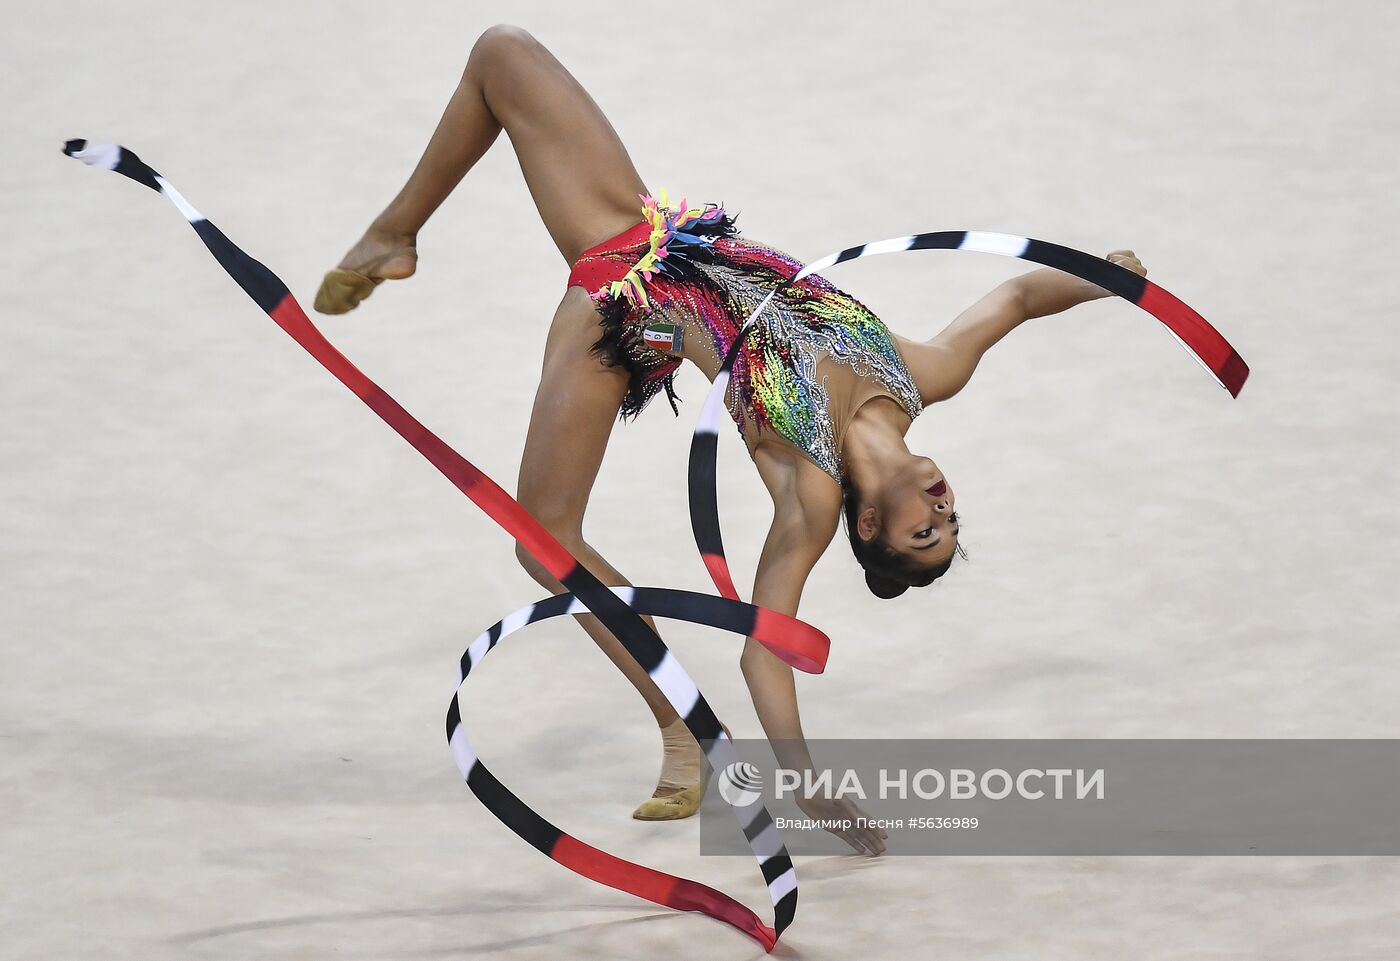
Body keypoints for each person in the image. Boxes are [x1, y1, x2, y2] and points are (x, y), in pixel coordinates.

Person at [314, 25, 1145, 850]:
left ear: (868, 526)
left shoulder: (810, 497)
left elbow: (765, 654)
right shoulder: (922, 375)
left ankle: (681, 729)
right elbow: (1014, 300)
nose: (943, 507)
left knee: (544, 538)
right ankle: (395, 233)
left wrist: (810, 787)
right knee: (501, 54)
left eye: (925, 532)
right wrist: (1108, 280)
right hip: (658, 236)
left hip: (626, 312)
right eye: (952, 521)